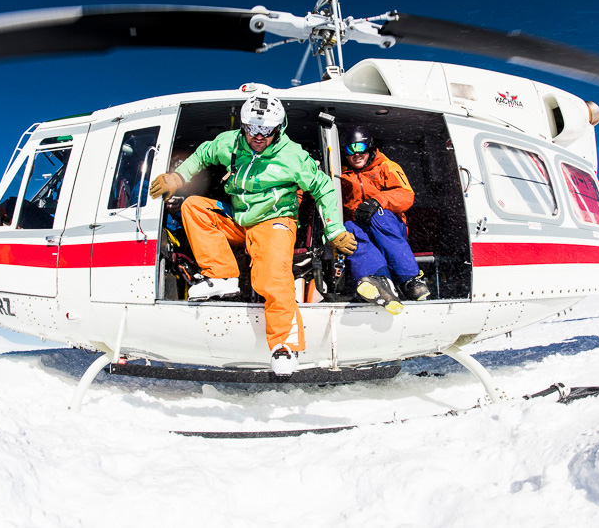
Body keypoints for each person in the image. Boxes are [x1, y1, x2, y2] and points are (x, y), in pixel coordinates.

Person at [149, 91, 357, 375]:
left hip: (274, 219)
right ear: (244, 126)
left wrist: (334, 228)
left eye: (266, 130)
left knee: (271, 273)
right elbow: (203, 154)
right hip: (239, 216)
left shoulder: (291, 156)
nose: (258, 136)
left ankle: (284, 344)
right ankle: (221, 275)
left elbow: (323, 187)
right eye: (253, 128)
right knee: (195, 207)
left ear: (278, 127)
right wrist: (178, 177)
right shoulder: (230, 143)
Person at [340, 127, 430, 315]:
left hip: (388, 225)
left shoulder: (386, 166)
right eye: (350, 149)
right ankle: (379, 280)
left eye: (360, 147)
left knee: (378, 215)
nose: (356, 154)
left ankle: (410, 278)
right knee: (350, 228)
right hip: (362, 227)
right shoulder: (342, 175)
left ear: (370, 147)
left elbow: (406, 195)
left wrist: (378, 201)